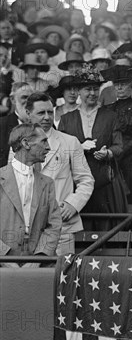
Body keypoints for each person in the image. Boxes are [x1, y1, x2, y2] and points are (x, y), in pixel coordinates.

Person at [23, 92, 94, 256]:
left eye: (50, 111)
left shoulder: (70, 142)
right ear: (28, 114)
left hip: (62, 225)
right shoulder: (19, 144)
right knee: (31, 277)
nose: (47, 117)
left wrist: (72, 204)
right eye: (41, 113)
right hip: (28, 228)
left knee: (62, 276)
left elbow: (86, 180)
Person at [58, 67, 127, 231]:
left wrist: (108, 153)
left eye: (96, 89)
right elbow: (58, 151)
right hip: (76, 184)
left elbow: (119, 146)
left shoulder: (110, 116)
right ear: (78, 92)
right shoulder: (67, 119)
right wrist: (79, 147)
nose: (92, 93)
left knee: (107, 229)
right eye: (88, 89)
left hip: (104, 181)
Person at [0, 123, 61, 265]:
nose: (48, 147)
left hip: (40, 263)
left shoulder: (47, 183)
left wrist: (38, 260)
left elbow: (54, 225)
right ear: (26, 143)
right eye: (43, 141)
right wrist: (5, 259)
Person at [102, 65, 132, 205]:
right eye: (116, 84)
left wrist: (123, 150)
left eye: (123, 84)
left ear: (131, 85)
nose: (119, 88)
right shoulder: (107, 109)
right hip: (113, 158)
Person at [0, 82, 32, 167]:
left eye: (31, 98)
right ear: (13, 99)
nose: (29, 102)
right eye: (24, 97)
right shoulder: (2, 125)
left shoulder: (43, 124)